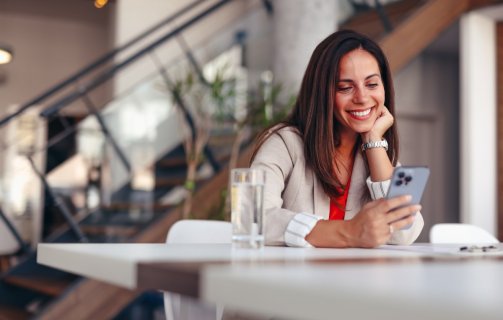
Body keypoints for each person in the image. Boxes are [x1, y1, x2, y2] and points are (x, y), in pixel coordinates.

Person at [250, 30, 424, 248]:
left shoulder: (377, 152)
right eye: (345, 87)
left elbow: (404, 233)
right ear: (322, 92)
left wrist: (373, 140)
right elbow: (253, 218)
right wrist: (349, 232)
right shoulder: (284, 143)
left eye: (372, 85)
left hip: (352, 280)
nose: (362, 98)